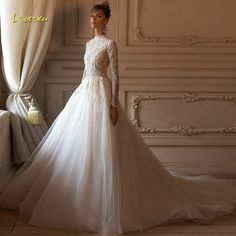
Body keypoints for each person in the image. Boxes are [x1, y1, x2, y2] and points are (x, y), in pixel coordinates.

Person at [1, 1, 236, 235]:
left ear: (106, 20)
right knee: (80, 143)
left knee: (106, 142)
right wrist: (78, 96)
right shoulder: (89, 44)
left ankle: (107, 198)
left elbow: (115, 75)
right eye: (92, 16)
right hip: (85, 93)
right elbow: (85, 73)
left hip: (103, 94)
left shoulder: (109, 44)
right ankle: (84, 194)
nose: (93, 19)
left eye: (98, 16)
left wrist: (114, 104)